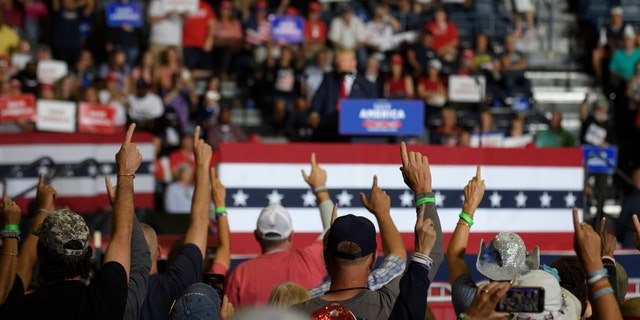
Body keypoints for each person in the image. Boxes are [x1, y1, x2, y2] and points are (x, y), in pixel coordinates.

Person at [0, 124, 143, 319]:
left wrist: (19, 224)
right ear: (87, 257)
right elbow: (122, 235)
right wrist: (126, 173)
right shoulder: (105, 300)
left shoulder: (14, 310)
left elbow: (20, 273)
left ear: (40, 256)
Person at [294, 142, 444, 320]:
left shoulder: (292, 313)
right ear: (373, 259)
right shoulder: (390, 303)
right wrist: (423, 191)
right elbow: (432, 254)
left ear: (325, 256)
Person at [140, 126, 230, 319]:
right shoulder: (181, 281)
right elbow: (200, 224)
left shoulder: (113, 291)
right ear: (157, 254)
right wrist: (203, 167)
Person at [226, 153, 332, 308]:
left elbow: (227, 315)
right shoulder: (309, 260)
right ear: (291, 236)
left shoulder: (241, 274)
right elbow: (333, 228)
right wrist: (320, 187)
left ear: (256, 235)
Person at [447, 166, 541, 315]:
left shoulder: (471, 302)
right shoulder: (538, 305)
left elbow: (454, 256)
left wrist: (468, 209)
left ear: (487, 267)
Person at [308, 48, 378, 142]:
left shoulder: (366, 85)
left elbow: (373, 107)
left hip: (355, 129)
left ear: (353, 63)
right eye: (337, 60)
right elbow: (319, 98)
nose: (339, 63)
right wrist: (314, 113)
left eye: (343, 60)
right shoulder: (329, 79)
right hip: (330, 125)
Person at [592, 6, 630, 82]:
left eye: (618, 16)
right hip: (609, 50)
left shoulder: (627, 28)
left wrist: (616, 42)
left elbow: (629, 42)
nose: (617, 19)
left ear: (621, 17)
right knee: (595, 53)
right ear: (611, 18)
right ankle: (599, 78)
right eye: (615, 17)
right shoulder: (605, 28)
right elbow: (602, 43)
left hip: (622, 51)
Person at [182, 0, 215, 80]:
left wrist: (209, 39)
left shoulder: (206, 6)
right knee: (186, 70)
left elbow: (212, 24)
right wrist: (184, 16)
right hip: (187, 44)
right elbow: (181, 24)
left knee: (208, 71)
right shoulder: (185, 5)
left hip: (202, 45)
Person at [328, 4, 367, 70]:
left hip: (355, 48)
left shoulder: (358, 21)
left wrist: (352, 49)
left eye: (349, 12)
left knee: (362, 53)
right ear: (342, 13)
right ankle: (335, 71)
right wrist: (344, 49)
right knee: (331, 53)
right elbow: (333, 40)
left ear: (353, 13)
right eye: (345, 12)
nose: (347, 14)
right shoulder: (336, 21)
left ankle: (361, 72)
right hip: (340, 47)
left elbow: (362, 41)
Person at [148, 0, 184, 64]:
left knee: (175, 70)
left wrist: (184, 15)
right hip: (158, 41)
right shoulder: (157, 2)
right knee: (156, 67)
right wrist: (167, 16)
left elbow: (185, 23)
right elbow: (151, 19)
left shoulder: (180, 3)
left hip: (175, 41)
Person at [617, 168, 640, 248]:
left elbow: (622, 222)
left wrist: (619, 237)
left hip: (632, 244)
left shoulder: (631, 199)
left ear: (636, 180)